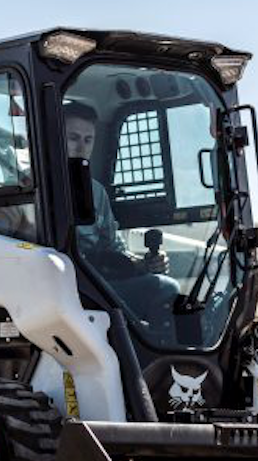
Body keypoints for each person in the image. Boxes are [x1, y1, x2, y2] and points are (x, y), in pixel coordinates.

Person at [63, 101, 180, 327]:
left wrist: (144, 264)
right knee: (165, 290)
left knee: (163, 287)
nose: (81, 148)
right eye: (73, 138)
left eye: (88, 140)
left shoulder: (96, 192)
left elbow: (112, 248)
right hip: (63, 286)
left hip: (96, 282)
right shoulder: (34, 185)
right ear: (57, 138)